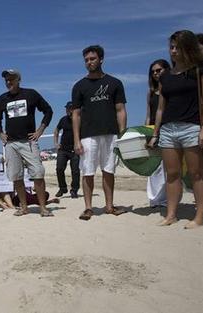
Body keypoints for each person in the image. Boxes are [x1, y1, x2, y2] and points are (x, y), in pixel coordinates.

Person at [147, 30, 203, 229]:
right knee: (171, 174)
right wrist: (155, 133)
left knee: (197, 173)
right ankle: (171, 214)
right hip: (168, 130)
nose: (172, 51)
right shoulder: (166, 76)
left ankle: (199, 216)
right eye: (171, 47)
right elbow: (161, 107)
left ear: (186, 48)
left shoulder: (199, 70)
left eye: (177, 47)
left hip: (191, 126)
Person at [72, 45, 128, 221]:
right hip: (88, 135)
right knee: (87, 172)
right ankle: (88, 208)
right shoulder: (79, 86)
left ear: (101, 59)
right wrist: (76, 140)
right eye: (86, 60)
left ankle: (109, 206)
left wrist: (123, 134)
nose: (89, 62)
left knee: (108, 171)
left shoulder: (115, 83)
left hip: (111, 134)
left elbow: (120, 110)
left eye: (92, 59)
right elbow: (76, 114)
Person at [0, 68, 54, 217]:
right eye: (6, 80)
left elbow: (48, 111)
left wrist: (40, 131)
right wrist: (0, 133)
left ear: (18, 79)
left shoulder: (30, 94)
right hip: (11, 144)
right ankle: (24, 207)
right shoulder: (2, 98)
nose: (9, 82)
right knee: (16, 176)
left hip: (28, 142)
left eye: (11, 79)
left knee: (38, 173)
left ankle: (43, 208)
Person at [145, 59, 171, 208]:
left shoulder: (171, 89)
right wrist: (146, 131)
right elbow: (149, 114)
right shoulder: (151, 93)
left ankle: (167, 198)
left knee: (169, 167)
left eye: (159, 70)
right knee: (154, 167)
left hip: (169, 127)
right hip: (153, 130)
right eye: (153, 71)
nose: (156, 73)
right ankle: (155, 199)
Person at [53, 102, 80, 198]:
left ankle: (74, 190)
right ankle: (62, 188)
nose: (68, 110)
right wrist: (56, 143)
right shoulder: (63, 120)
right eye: (67, 109)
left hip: (74, 150)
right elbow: (56, 130)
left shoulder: (79, 119)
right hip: (63, 149)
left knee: (75, 171)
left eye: (70, 109)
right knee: (59, 168)